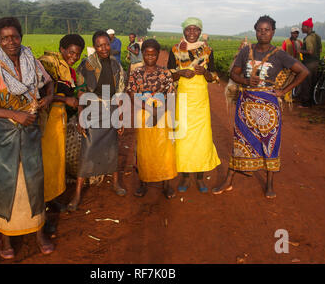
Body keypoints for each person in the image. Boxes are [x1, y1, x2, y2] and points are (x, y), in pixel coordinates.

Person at [0, 17, 55, 259]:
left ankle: (39, 232)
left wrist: (48, 99)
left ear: (21, 37)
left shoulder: (32, 61)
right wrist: (14, 115)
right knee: (5, 183)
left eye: (15, 37)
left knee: (33, 180)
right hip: (6, 134)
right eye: (4, 38)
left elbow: (50, 85)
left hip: (31, 131)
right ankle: (4, 237)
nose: (11, 42)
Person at [212, 15, 309, 199]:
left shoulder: (280, 54)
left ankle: (270, 183)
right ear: (255, 30)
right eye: (259, 30)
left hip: (269, 107)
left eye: (267, 30)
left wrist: (283, 91)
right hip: (246, 102)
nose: (262, 33)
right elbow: (233, 73)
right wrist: (246, 81)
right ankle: (229, 180)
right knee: (240, 141)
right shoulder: (246, 51)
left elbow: (304, 71)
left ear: (273, 32)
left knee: (269, 143)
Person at [67, 30, 127, 211]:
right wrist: (80, 117)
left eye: (106, 44)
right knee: (88, 150)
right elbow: (80, 93)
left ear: (110, 43)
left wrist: (120, 117)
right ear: (95, 46)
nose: (104, 48)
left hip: (111, 110)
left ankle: (116, 183)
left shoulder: (116, 65)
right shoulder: (86, 65)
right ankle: (77, 194)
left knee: (112, 147)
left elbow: (120, 93)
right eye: (99, 45)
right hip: (92, 110)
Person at [167, 17, 221, 193]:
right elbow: (168, 75)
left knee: (202, 139)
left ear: (200, 31)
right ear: (183, 31)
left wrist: (205, 72)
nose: (192, 33)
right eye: (188, 29)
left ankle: (200, 177)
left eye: (195, 29)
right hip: (183, 97)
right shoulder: (175, 49)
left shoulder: (207, 50)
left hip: (200, 101)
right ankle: (184, 177)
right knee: (183, 138)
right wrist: (181, 72)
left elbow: (214, 76)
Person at [38, 34, 85, 231]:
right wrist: (65, 100)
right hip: (45, 120)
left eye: (78, 54)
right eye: (71, 52)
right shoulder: (46, 64)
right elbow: (39, 94)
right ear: (62, 49)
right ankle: (40, 212)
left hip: (59, 120)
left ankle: (52, 199)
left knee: (57, 162)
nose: (74, 56)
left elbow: (76, 92)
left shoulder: (69, 72)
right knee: (45, 164)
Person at [126, 39, 177, 199]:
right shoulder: (136, 73)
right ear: (142, 54)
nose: (150, 57)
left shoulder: (165, 73)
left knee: (164, 150)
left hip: (162, 113)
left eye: (153, 54)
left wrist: (159, 111)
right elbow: (132, 94)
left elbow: (171, 95)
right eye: (147, 54)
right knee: (144, 150)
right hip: (143, 113)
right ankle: (144, 182)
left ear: (158, 55)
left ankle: (166, 183)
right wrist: (150, 109)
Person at [298, 17, 322, 108]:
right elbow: (320, 49)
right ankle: (312, 102)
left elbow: (310, 51)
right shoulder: (317, 36)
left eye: (303, 27)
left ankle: (305, 103)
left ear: (308, 28)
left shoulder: (308, 39)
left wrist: (300, 51)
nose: (302, 28)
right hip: (316, 63)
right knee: (313, 83)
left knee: (306, 83)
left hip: (309, 63)